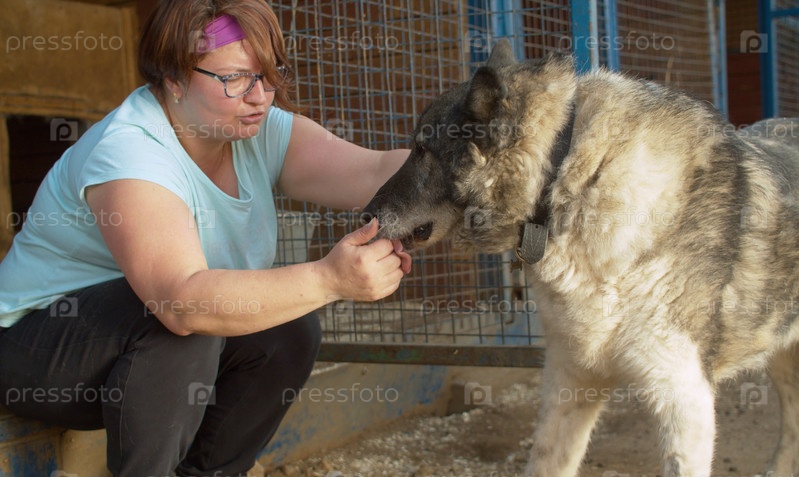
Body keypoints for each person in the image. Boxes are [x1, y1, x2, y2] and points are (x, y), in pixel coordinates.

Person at [0, 1, 411, 476]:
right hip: (36, 351)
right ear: (174, 78)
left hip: (135, 356)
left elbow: (375, 173)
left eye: (269, 74)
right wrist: (328, 280)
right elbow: (180, 301)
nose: (261, 97)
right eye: (235, 78)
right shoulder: (131, 149)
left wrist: (463, 170)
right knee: (185, 323)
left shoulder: (256, 129)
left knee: (288, 329)